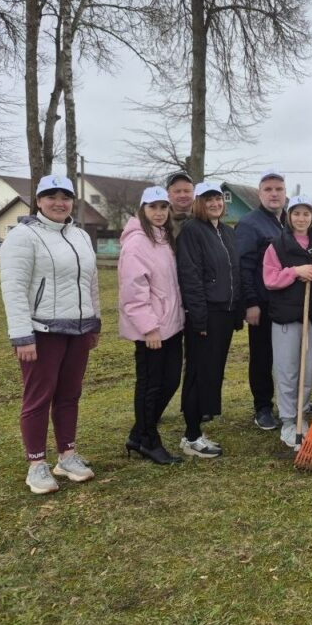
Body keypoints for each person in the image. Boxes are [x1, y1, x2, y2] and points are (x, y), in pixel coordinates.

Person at [0, 175, 101, 494]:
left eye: (66, 197)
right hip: (42, 331)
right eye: (51, 196)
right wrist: (22, 335)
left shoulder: (81, 236)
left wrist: (94, 321)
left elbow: (91, 282)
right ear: (39, 201)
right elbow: (13, 289)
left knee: (70, 395)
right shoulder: (24, 236)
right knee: (38, 397)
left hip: (78, 329)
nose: (60, 203)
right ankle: (36, 464)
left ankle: (67, 456)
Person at [117, 186, 184, 465]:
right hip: (152, 330)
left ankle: (138, 432)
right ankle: (148, 440)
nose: (158, 213)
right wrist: (149, 328)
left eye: (163, 207)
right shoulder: (136, 243)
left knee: (170, 381)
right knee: (150, 386)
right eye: (152, 207)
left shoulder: (164, 239)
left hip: (171, 325)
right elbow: (133, 292)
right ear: (142, 210)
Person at [176, 181, 241, 458]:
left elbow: (234, 272)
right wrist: (199, 318)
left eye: (218, 199)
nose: (215, 203)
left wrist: (236, 311)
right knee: (198, 373)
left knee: (213, 372)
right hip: (205, 314)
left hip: (224, 313)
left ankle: (201, 424)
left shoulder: (226, 231)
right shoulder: (192, 231)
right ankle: (190, 436)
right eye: (208, 199)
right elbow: (191, 277)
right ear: (198, 203)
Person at [263, 195, 312, 451]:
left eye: (306, 214)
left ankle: (302, 415)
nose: (301, 219)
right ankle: (288, 420)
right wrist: (295, 272)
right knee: (288, 369)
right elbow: (270, 279)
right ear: (288, 216)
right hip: (286, 317)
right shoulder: (277, 245)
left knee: (307, 370)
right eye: (296, 214)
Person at [235, 169, 288, 431]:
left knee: (286, 354)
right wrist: (250, 303)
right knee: (262, 356)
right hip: (263, 303)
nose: (274, 193)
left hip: (287, 303)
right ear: (259, 194)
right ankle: (263, 407)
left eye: (278, 189)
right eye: (268, 189)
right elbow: (243, 266)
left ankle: (289, 401)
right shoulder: (250, 224)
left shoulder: (291, 221)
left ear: (285, 193)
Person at [166, 171, 195, 238]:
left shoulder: (205, 218)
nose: (182, 195)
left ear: (194, 193)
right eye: (177, 191)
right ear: (168, 195)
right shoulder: (160, 223)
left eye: (187, 191)